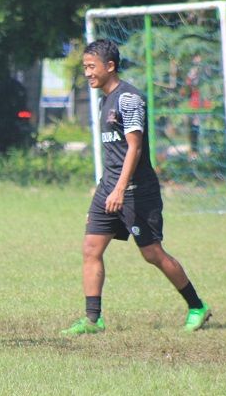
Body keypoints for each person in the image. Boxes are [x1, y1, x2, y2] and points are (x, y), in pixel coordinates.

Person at [61, 39, 211, 335]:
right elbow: (113, 152)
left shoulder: (129, 99)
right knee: (91, 248)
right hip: (109, 187)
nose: (88, 73)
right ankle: (93, 320)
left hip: (135, 191)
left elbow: (135, 148)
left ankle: (197, 306)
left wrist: (119, 188)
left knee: (152, 253)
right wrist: (104, 187)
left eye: (92, 67)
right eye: (85, 67)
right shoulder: (105, 99)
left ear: (110, 66)